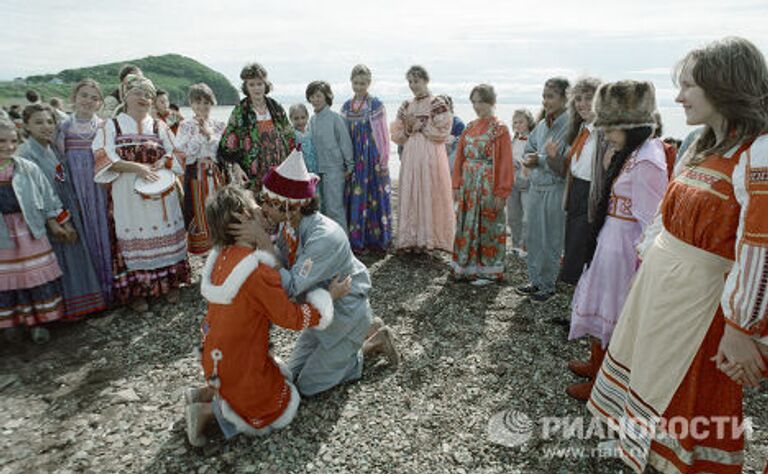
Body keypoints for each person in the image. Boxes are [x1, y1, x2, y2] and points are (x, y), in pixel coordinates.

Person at [587, 37, 768, 474]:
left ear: (723, 86)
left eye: (689, 86)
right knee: (649, 385)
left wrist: (742, 326)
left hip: (704, 307)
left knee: (688, 400)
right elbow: (663, 223)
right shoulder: (698, 145)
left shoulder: (758, 152)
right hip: (663, 293)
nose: (678, 96)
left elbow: (759, 246)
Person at [184, 185, 348, 447]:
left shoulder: (222, 257)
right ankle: (208, 414)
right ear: (243, 219)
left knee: (271, 373)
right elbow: (289, 318)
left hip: (215, 355)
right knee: (278, 404)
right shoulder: (256, 270)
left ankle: (207, 391)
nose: (263, 210)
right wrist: (327, 300)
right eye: (256, 207)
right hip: (241, 361)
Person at [230, 149, 399, 397]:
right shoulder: (290, 225)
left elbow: (289, 286)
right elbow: (281, 268)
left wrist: (263, 242)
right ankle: (364, 333)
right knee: (289, 373)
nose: (264, 207)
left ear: (291, 207)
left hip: (344, 313)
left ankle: (368, 344)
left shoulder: (324, 237)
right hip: (320, 312)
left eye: (269, 202)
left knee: (306, 388)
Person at [565, 80, 668, 401]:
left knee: (616, 310)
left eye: (611, 128)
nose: (606, 135)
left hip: (625, 250)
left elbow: (651, 220)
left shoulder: (648, 161)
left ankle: (607, 381)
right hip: (611, 241)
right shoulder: (632, 153)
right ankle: (597, 365)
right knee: (602, 302)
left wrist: (641, 266)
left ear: (631, 127)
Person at [92, 75, 190, 313]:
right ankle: (136, 291)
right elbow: (103, 156)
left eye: (148, 94)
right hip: (128, 192)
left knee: (165, 230)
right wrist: (136, 167)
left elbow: (177, 152)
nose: (144, 98)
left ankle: (169, 283)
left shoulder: (160, 126)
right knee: (132, 234)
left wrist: (163, 162)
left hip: (160, 191)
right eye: (138, 93)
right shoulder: (111, 126)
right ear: (125, 95)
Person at [18, 104, 106, 319]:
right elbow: (36, 193)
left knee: (74, 254)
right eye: (38, 122)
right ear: (26, 125)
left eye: (49, 121)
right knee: (60, 258)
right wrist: (56, 220)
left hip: (66, 206)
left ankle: (82, 304)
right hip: (49, 214)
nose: (46, 126)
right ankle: (66, 308)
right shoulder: (27, 154)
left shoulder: (53, 148)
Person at [0, 118, 72, 343]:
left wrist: (57, 222)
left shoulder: (27, 168)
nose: (8, 146)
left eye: (13, 141)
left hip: (29, 230)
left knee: (33, 275)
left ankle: (40, 323)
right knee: (9, 278)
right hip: (3, 235)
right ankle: (13, 324)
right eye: (1, 141)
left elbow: (48, 198)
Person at [55, 79, 112, 302]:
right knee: (83, 234)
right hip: (75, 189)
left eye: (94, 97)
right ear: (74, 98)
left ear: (99, 103)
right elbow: (58, 162)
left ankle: (108, 287)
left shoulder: (103, 126)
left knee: (104, 232)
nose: (88, 100)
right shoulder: (63, 127)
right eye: (84, 95)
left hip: (99, 186)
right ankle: (89, 291)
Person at [451, 84, 514, 284]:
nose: (477, 106)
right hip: (469, 184)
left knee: (488, 224)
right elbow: (459, 157)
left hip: (488, 184)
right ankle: (467, 267)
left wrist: (501, 192)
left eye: (482, 102)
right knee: (467, 224)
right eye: (474, 102)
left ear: (492, 102)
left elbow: (505, 163)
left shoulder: (500, 129)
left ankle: (488, 271)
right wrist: (456, 184)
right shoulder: (469, 127)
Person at [514, 77, 570, 302]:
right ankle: (535, 280)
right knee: (534, 234)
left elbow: (566, 159)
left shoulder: (569, 124)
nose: (545, 101)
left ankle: (548, 285)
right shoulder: (541, 124)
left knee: (552, 237)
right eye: (544, 96)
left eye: (551, 96)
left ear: (565, 98)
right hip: (536, 186)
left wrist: (542, 159)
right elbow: (529, 149)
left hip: (555, 188)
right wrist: (531, 159)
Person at [390, 65, 454, 253]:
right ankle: (412, 238)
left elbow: (444, 130)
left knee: (429, 189)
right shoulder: (406, 105)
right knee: (412, 189)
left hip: (431, 153)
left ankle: (429, 239)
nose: (413, 85)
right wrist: (409, 129)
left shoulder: (437, 103)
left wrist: (423, 127)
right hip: (411, 153)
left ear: (425, 80)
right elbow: (397, 133)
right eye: (410, 82)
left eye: (416, 81)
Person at [217, 62, 294, 191]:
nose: (256, 88)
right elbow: (227, 146)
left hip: (278, 171)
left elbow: (289, 136)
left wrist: (291, 165)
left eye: (259, 84)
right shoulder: (240, 111)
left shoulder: (276, 108)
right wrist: (236, 167)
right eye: (251, 84)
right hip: (252, 174)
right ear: (246, 87)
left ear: (265, 85)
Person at [341, 65, 393, 252]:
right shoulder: (346, 106)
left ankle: (377, 239)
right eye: (356, 82)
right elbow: (343, 134)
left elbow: (383, 134)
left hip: (371, 156)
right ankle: (356, 239)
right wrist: (344, 159)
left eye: (363, 83)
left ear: (369, 83)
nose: (359, 86)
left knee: (374, 193)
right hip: (354, 156)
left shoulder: (375, 104)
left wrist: (384, 159)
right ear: (351, 82)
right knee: (355, 194)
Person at [559, 78, 603, 285]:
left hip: (591, 192)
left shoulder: (603, 132)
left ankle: (580, 295)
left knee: (582, 246)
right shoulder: (582, 128)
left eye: (588, 98)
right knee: (572, 243)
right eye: (578, 99)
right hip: (576, 188)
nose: (582, 104)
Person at [174, 83, 226, 255]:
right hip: (195, 173)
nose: (202, 106)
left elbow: (223, 151)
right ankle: (204, 248)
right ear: (191, 103)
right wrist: (199, 136)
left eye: (206, 102)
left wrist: (210, 135)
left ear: (212, 103)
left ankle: (220, 249)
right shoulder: (185, 126)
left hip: (215, 172)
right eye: (198, 102)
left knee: (219, 209)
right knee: (197, 210)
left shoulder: (219, 124)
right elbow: (184, 152)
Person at [306, 80, 353, 233]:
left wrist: (350, 165)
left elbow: (345, 142)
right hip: (317, 170)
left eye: (319, 96)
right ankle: (329, 243)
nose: (315, 100)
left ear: (327, 96)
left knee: (335, 209)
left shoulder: (335, 118)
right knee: (322, 209)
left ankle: (343, 243)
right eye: (312, 96)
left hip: (335, 169)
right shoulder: (312, 120)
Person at [506, 109, 535, 256]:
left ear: (529, 122)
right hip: (512, 181)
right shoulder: (513, 140)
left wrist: (521, 162)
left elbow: (534, 159)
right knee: (513, 215)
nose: (517, 125)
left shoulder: (533, 139)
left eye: (521, 122)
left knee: (527, 216)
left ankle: (526, 246)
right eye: (515, 122)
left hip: (527, 181)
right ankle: (515, 245)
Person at [289, 103, 317, 174]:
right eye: (296, 118)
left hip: (314, 168)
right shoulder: (292, 134)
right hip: (300, 170)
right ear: (291, 119)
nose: (300, 121)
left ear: (307, 116)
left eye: (303, 117)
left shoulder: (311, 131)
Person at [441, 95, 465, 171]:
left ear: (450, 108)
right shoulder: (435, 123)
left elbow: (460, 148)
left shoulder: (458, 124)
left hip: (451, 162)